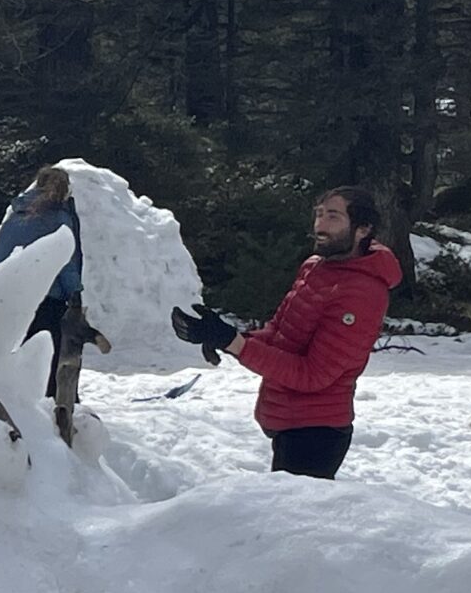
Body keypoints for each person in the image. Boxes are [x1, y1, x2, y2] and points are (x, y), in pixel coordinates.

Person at [170, 186, 400, 479]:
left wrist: (236, 344)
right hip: (288, 421)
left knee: (297, 510)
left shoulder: (362, 292)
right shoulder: (316, 267)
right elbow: (279, 335)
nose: (320, 225)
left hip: (316, 433)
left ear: (363, 229)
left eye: (333, 216)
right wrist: (226, 338)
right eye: (318, 214)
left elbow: (313, 375)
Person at [0, 163, 86, 398]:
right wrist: (74, 291)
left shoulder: (18, 214)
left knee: (23, 349)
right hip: (51, 298)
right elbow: (66, 261)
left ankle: (19, 398)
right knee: (50, 352)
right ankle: (51, 400)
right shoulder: (60, 218)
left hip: (20, 296)